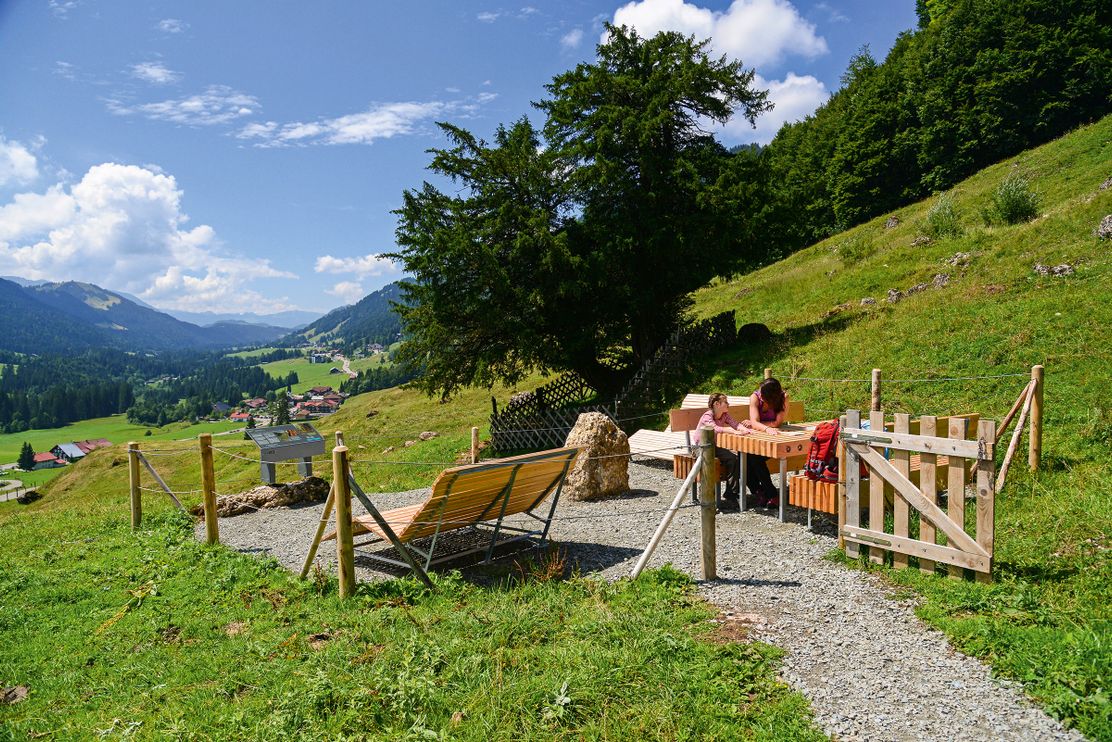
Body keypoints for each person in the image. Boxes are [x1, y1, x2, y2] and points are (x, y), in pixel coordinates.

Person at [697, 392, 753, 512]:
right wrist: (733, 431)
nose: (728, 404)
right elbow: (715, 428)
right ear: (717, 404)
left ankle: (731, 494)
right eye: (726, 402)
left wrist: (745, 430)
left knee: (734, 459)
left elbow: (735, 424)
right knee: (709, 464)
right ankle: (706, 497)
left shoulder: (724, 415)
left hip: (715, 447)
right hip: (701, 447)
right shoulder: (707, 416)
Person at [747, 377, 788, 507]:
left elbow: (777, 423)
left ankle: (766, 493)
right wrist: (765, 427)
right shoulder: (755, 397)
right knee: (744, 455)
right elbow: (754, 422)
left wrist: (758, 424)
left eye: (763, 395)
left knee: (753, 457)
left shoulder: (784, 397)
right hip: (759, 438)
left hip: (774, 440)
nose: (760, 395)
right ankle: (765, 492)